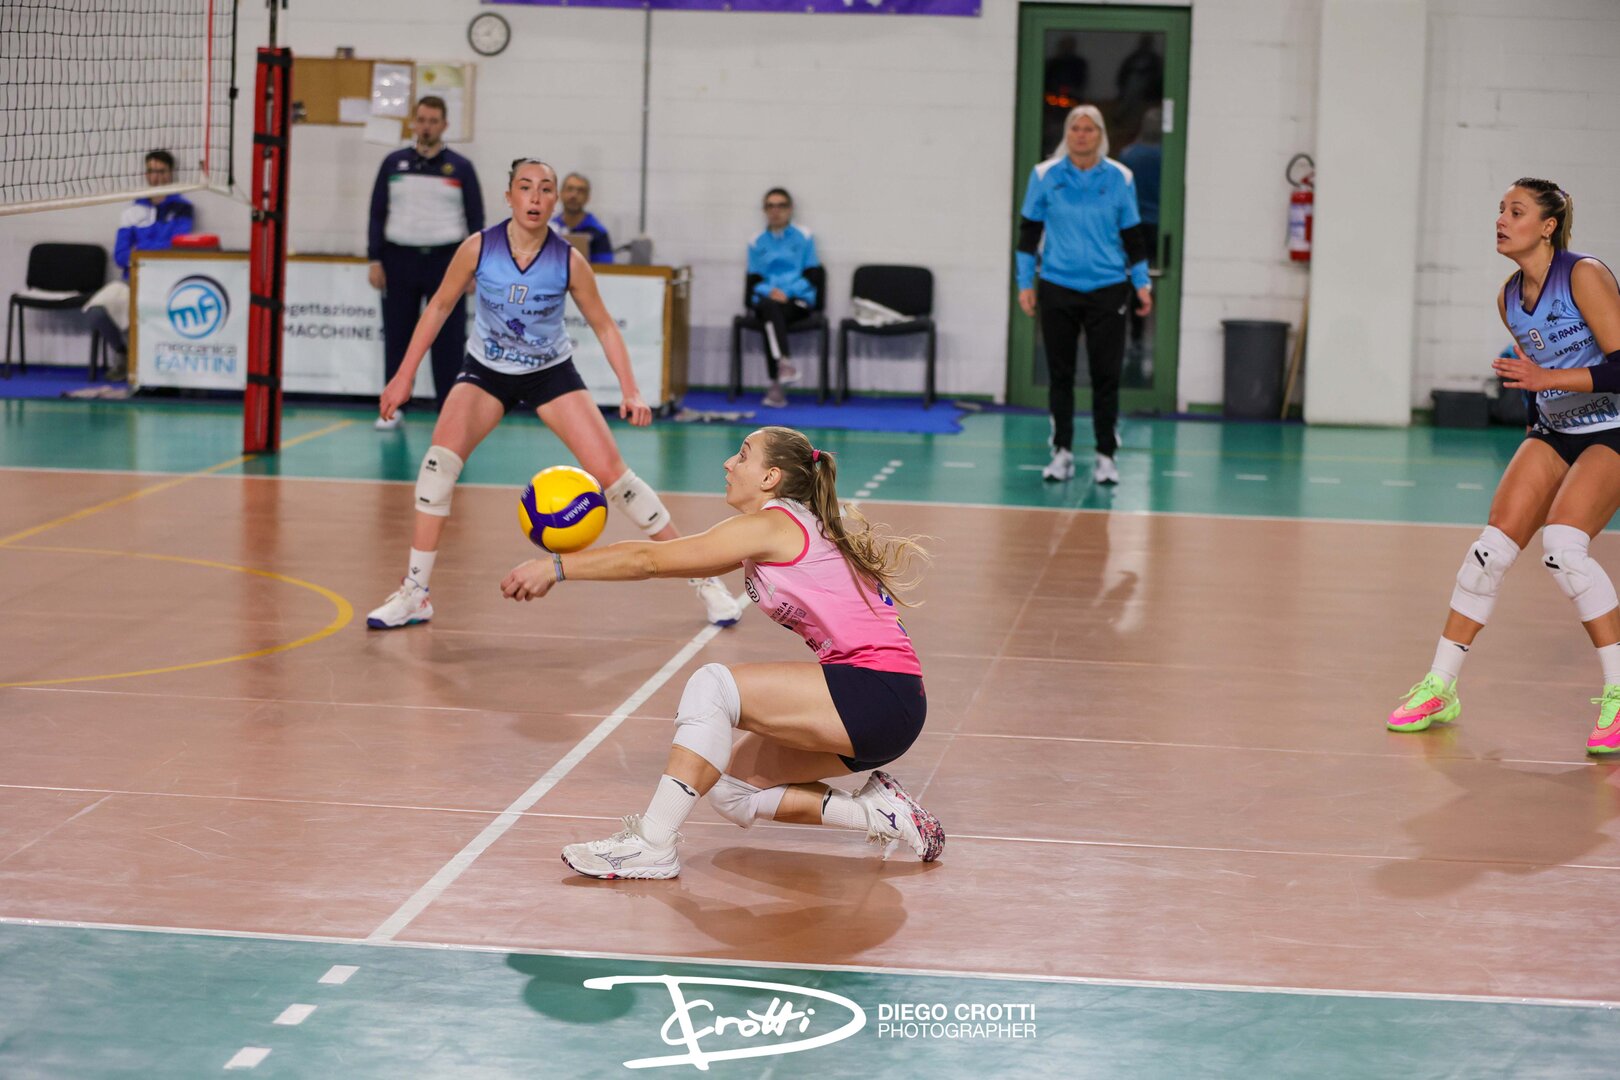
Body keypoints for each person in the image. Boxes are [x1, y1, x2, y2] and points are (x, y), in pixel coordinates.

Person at [500, 425, 943, 878]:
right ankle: (879, 814)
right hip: (888, 704)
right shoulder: (781, 527)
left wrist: (556, 567)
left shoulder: (775, 526)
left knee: (713, 686)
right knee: (733, 791)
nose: (729, 464)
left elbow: (648, 560)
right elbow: (660, 562)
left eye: (743, 455)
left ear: (770, 477)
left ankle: (653, 843)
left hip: (877, 692)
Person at [367, 159, 743, 631]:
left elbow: (604, 326)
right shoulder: (478, 248)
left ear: (554, 200)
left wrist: (630, 389)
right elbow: (439, 306)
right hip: (485, 371)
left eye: (546, 189)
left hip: (549, 373)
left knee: (618, 480)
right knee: (436, 469)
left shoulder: (568, 260)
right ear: (509, 196)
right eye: (525, 187)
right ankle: (414, 594)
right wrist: (402, 376)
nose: (535, 197)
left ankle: (705, 581)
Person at [1390, 178, 1620, 755]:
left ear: (1547, 226)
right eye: (1500, 210)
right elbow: (1531, 377)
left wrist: (1549, 379)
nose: (1501, 219)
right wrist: (1535, 421)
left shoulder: (1584, 274)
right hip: (1555, 428)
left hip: (1613, 428)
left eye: (1516, 211)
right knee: (1487, 554)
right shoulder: (1509, 297)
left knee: (1564, 548)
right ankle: (1440, 686)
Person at [1015, 105, 1153, 485]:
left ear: (1100, 135)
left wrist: (1142, 283)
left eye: (1089, 129)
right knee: (1060, 375)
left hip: (1108, 287)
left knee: (1105, 375)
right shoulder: (1044, 175)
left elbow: (1133, 236)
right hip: (1057, 285)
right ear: (1067, 133)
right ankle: (1061, 452)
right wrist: (1025, 284)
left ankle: (1106, 455)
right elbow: (1028, 235)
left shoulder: (1121, 177)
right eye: (1075, 128)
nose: (1081, 135)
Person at [367, 95, 485, 429]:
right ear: (413, 123)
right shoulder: (393, 163)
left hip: (447, 263)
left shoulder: (461, 168)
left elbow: (476, 220)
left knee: (448, 340)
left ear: (445, 125)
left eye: (433, 121)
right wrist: (374, 258)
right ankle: (392, 409)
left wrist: (475, 269)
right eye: (421, 120)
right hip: (399, 260)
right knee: (398, 336)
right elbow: (377, 213)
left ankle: (448, 412)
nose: (426, 127)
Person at [82, 150, 195, 379]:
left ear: (170, 173)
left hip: (167, 283)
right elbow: (121, 256)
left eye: (161, 171)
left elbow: (176, 247)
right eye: (152, 171)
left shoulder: (183, 208)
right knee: (97, 311)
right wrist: (151, 250)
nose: (156, 177)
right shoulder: (132, 212)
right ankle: (124, 355)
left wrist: (140, 250)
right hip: (133, 281)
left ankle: (156, 364)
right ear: (146, 174)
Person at [746, 188, 819, 409]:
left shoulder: (804, 236)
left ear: (790, 209)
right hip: (768, 299)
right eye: (770, 206)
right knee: (770, 309)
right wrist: (770, 291)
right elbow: (754, 279)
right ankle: (784, 365)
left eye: (781, 205)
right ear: (765, 210)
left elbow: (812, 274)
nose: (775, 211)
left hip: (795, 300)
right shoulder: (756, 242)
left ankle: (777, 382)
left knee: (770, 319)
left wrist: (787, 292)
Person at [1117, 106, 1163, 361]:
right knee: (1154, 283)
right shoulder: (1167, 155)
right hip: (1158, 226)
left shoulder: (1129, 155)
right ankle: (1150, 340)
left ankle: (1134, 338)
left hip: (1133, 227)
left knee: (1133, 282)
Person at [552, 173, 613, 264]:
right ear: (560, 194)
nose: (574, 195)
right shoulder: (549, 229)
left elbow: (605, 268)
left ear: (587, 198)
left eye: (581, 191)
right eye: (569, 189)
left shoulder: (598, 233)